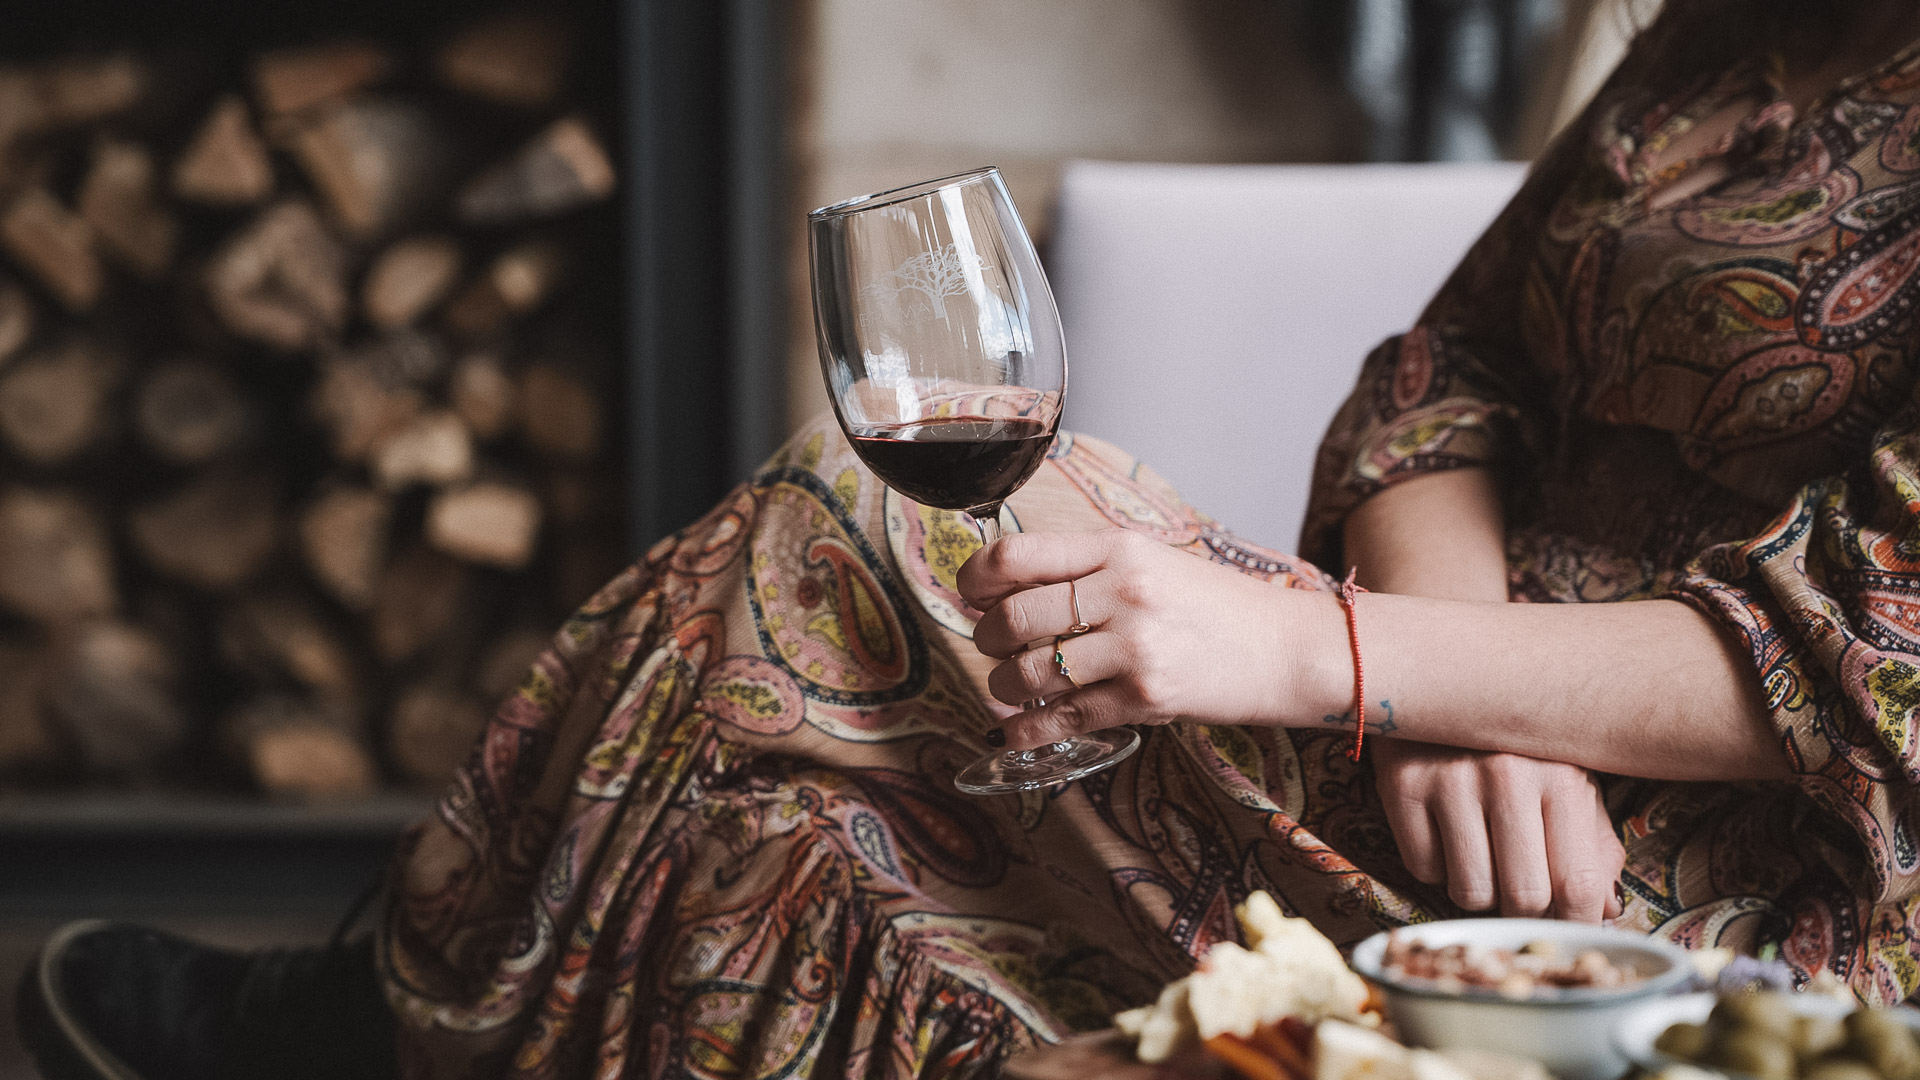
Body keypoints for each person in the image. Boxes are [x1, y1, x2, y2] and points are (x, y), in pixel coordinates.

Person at [24, 0, 1920, 1076]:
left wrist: (1327, 656)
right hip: (1447, 744)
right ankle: (405, 1020)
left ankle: (393, 1025)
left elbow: (1882, 639)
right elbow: (1453, 365)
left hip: (1714, 902)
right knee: (799, 688)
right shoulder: (1738, 29)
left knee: (827, 568)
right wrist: (1460, 685)